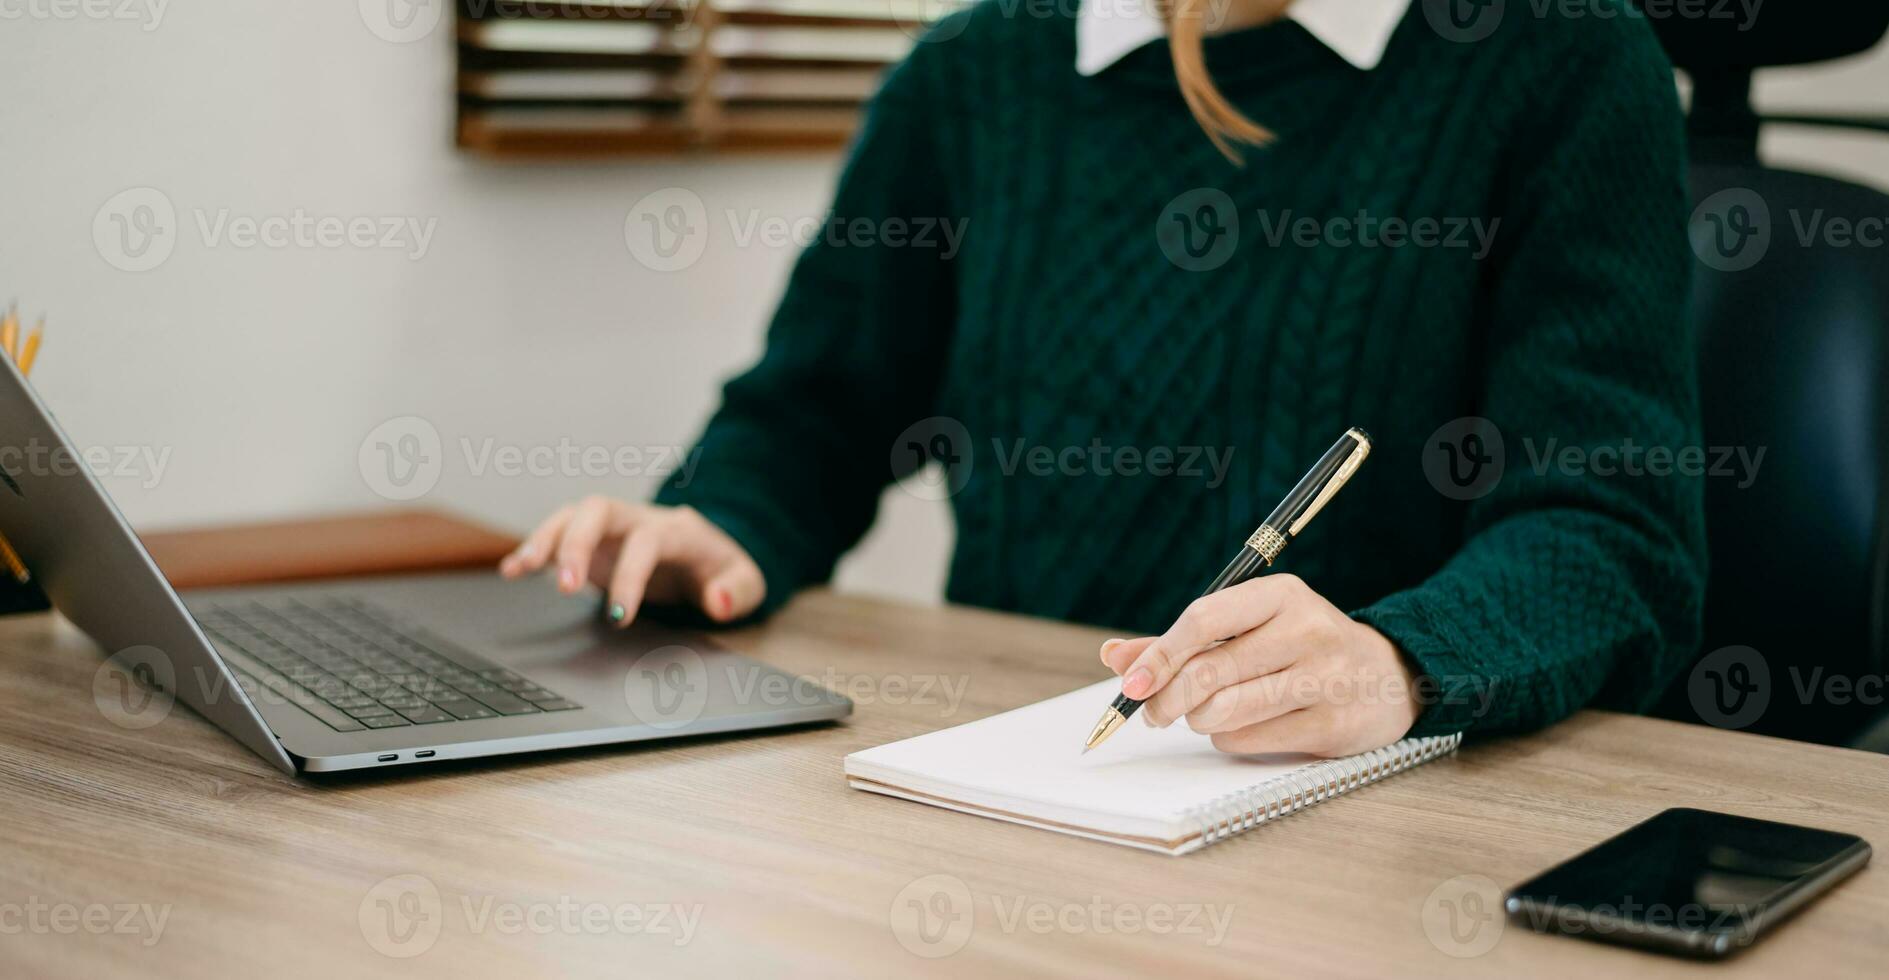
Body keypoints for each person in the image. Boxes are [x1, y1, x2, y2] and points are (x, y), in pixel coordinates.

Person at [500, 0, 1707, 757]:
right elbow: (816, 408)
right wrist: (720, 525)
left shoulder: (1561, 56)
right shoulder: (974, 69)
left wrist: (1398, 657)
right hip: (1012, 779)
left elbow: (1608, 525)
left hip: (1351, 816)